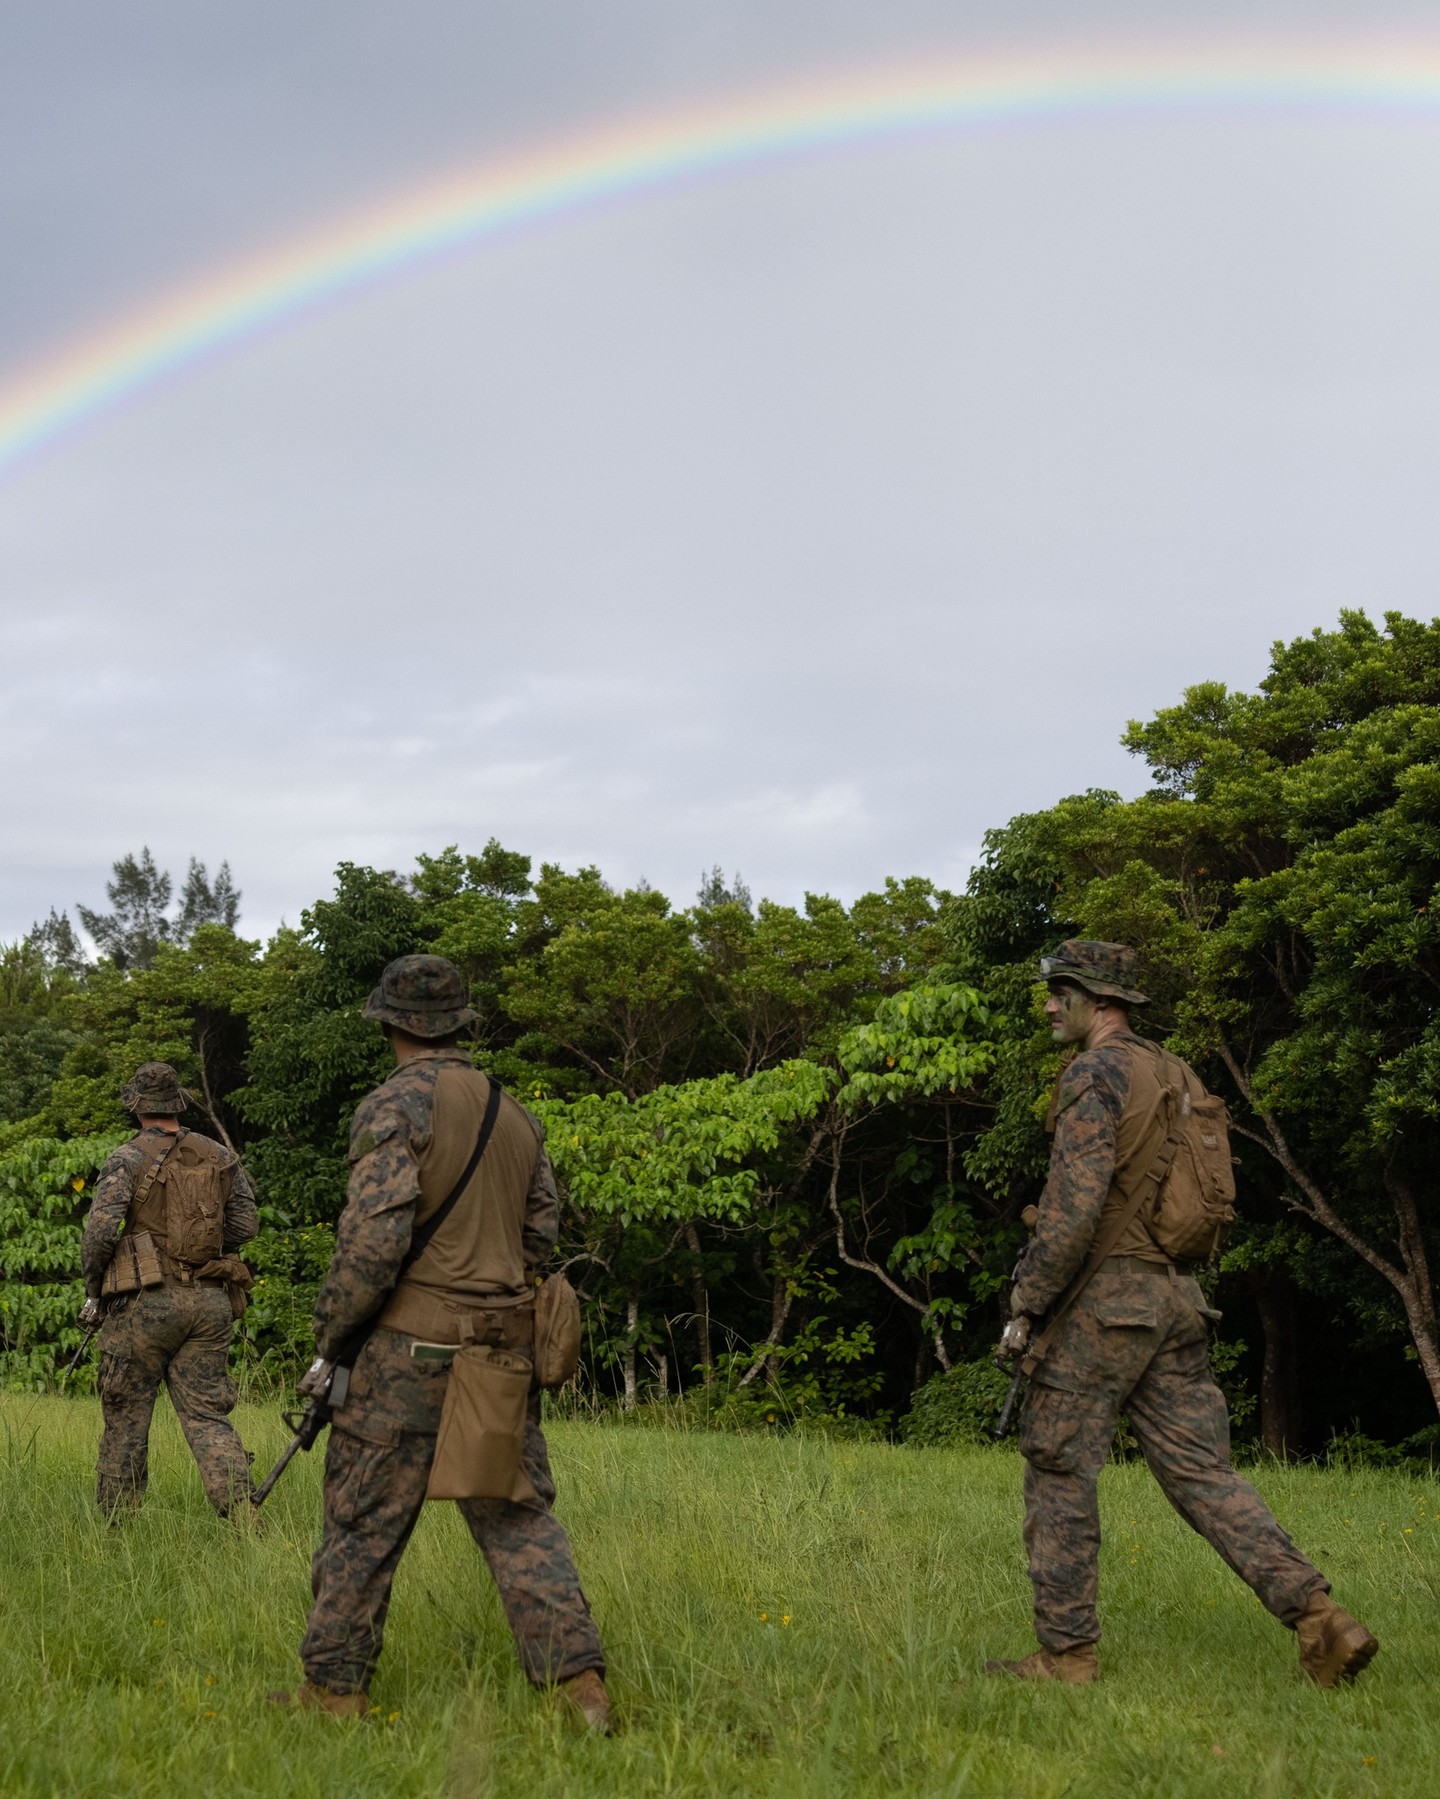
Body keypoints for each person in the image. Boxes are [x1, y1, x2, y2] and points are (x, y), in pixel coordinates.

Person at [986, 940, 1378, 1688]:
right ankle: (1320, 1618)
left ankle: (1067, 1656)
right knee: (1203, 1472)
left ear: (1100, 1001)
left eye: (1061, 992)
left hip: (1105, 1308)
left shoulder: (1094, 1074)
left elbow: (1071, 1213)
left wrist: (1026, 1302)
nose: (1049, 1005)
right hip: (1178, 1300)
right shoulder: (1177, 1073)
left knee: (1059, 1469)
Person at [268, 954, 608, 1728]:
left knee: (361, 1522)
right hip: (499, 1352)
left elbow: (372, 1243)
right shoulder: (515, 1114)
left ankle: (335, 1692)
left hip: (405, 1354)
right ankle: (579, 1688)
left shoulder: (394, 1105)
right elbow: (540, 1233)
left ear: (389, 1022)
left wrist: (331, 1335)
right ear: (459, 1024)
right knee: (518, 1516)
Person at [80, 1061, 258, 1516]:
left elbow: (100, 1233)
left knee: (126, 1415)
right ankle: (244, 1513)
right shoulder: (219, 1154)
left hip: (146, 1303)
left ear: (138, 1107)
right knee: (207, 1415)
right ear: (177, 1105)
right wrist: (200, 1249)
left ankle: (117, 1528)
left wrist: (94, 1292)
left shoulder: (127, 1157)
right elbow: (245, 1224)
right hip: (211, 1302)